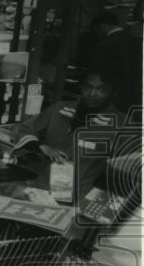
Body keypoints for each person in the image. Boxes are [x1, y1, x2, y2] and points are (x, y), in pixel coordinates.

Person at [11, 66, 125, 202]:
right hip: (42, 191)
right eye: (88, 87)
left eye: (102, 89)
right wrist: (40, 146)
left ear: (114, 93)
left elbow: (130, 164)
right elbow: (24, 129)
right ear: (81, 88)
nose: (92, 94)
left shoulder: (121, 123)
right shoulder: (59, 109)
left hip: (82, 197)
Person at [88, 12, 142, 113]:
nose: (97, 34)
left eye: (97, 30)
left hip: (112, 98)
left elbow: (98, 73)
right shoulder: (137, 42)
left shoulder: (106, 45)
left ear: (103, 26)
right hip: (135, 96)